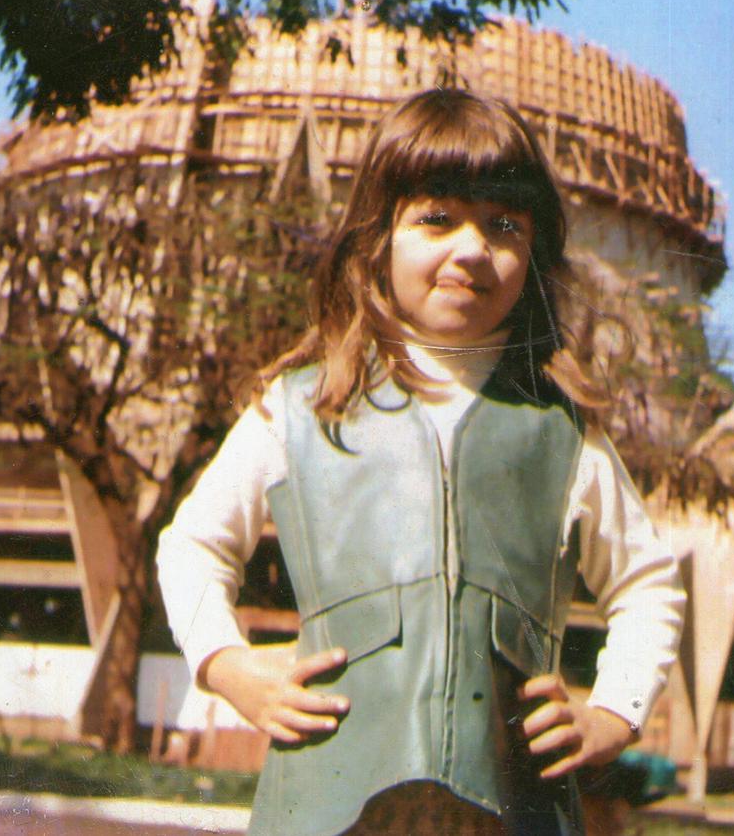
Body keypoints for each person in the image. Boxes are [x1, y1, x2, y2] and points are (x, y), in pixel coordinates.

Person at [157, 88, 685, 836]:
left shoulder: (562, 431)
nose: (471, 249)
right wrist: (227, 666)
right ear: (378, 238)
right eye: (437, 218)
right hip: (329, 803)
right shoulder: (303, 407)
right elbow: (191, 545)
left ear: (534, 253)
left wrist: (613, 711)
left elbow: (648, 581)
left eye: (503, 225)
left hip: (511, 809)